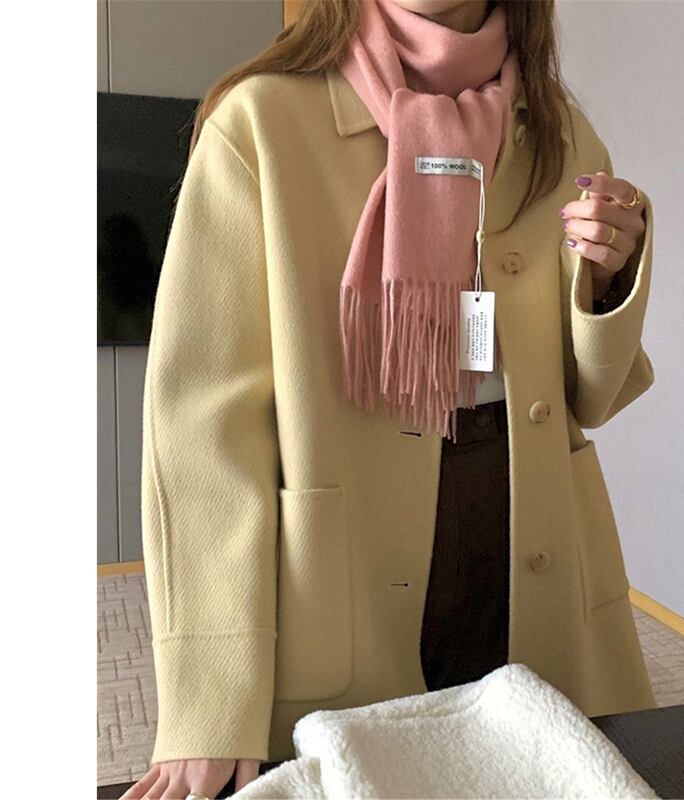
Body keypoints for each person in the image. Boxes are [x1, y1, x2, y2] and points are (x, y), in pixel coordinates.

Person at [123, 1, 654, 797]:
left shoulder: (560, 134)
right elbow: (203, 431)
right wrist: (208, 698)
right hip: (344, 556)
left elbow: (590, 397)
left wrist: (608, 283)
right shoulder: (261, 122)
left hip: (531, 532)